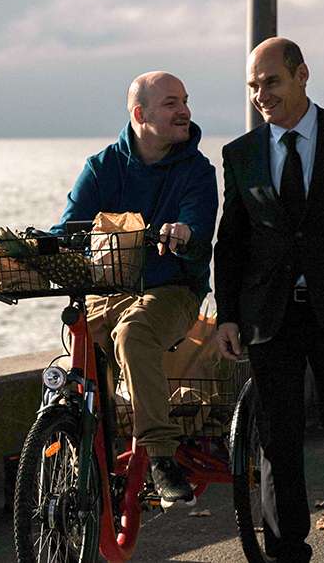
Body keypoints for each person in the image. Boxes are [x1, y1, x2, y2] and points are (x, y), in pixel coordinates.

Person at [213, 37, 324, 563]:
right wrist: (228, 314)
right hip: (270, 319)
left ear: (302, 75)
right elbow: (232, 244)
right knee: (277, 441)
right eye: (252, 85)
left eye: (270, 81)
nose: (260, 94)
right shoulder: (241, 154)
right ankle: (286, 550)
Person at [52, 71, 218, 507]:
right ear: (141, 114)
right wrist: (42, 247)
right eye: (171, 103)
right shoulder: (102, 166)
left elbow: (198, 225)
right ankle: (83, 450)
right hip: (109, 290)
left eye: (185, 100)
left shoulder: (198, 170)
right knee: (78, 335)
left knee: (134, 333)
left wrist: (183, 232)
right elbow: (70, 225)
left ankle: (162, 458)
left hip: (173, 290)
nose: (184, 110)